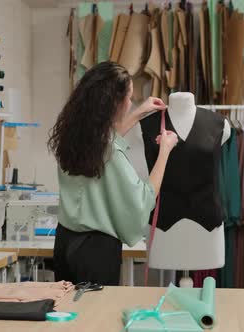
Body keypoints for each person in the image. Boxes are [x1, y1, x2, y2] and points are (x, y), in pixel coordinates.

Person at [47, 62, 179, 285]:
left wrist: (138, 114)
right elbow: (144, 198)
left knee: (69, 315)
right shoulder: (111, 155)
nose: (130, 103)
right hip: (95, 252)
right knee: (96, 317)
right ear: (113, 103)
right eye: (129, 98)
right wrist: (165, 150)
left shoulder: (73, 137)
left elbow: (105, 142)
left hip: (65, 242)